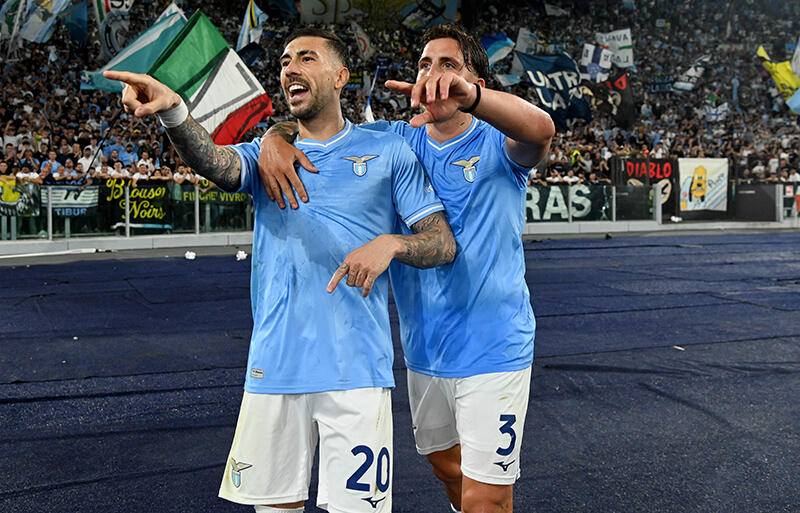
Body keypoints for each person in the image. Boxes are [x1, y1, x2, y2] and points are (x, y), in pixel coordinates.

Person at [104, 26, 456, 513]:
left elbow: (442, 242)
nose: (290, 67)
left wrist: (391, 244)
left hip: (356, 370)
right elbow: (215, 162)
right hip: (274, 367)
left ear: (341, 76)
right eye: (286, 60)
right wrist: (174, 111)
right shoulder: (263, 155)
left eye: (306, 58)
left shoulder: (388, 151)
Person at [257, 24, 554, 513]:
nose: (434, 75)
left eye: (449, 66)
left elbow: (541, 130)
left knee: (486, 496)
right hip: (424, 348)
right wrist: (275, 134)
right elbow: (323, 124)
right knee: (446, 466)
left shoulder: (501, 143)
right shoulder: (396, 140)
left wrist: (473, 99)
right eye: (425, 65)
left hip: (495, 345)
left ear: (476, 81)